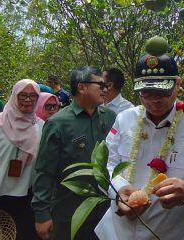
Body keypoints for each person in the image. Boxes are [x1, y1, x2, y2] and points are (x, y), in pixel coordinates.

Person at [95, 54, 184, 240]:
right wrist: (119, 188)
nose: (155, 100)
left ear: (178, 84)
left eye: (162, 92)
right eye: (147, 93)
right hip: (119, 232)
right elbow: (106, 164)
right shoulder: (124, 119)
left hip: (175, 232)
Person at [32, 67, 116, 240]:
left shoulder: (111, 118)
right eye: (100, 84)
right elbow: (44, 171)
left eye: (106, 85)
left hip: (106, 211)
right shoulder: (58, 123)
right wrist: (42, 214)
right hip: (68, 212)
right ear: (82, 87)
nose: (105, 89)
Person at [0, 79, 43, 240]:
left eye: (32, 96)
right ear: (14, 96)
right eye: (22, 95)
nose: (27, 100)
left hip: (26, 197)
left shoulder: (41, 126)